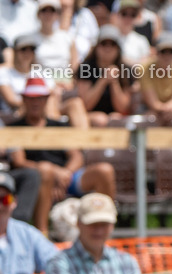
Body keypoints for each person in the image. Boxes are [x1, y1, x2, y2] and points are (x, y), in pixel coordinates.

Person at [8, 77, 116, 236]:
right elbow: (19, 161)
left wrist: (64, 173)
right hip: (37, 180)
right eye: (31, 98)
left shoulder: (60, 125)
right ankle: (42, 233)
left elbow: (76, 156)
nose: (35, 102)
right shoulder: (14, 128)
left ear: (47, 99)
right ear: (24, 99)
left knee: (104, 171)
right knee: (45, 171)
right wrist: (52, 172)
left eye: (39, 98)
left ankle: (105, 230)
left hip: (66, 177)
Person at [75, 25, 133, 126]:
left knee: (116, 119)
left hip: (114, 115)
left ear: (118, 48)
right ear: (97, 46)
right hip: (90, 115)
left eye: (112, 44)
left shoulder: (125, 69)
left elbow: (123, 107)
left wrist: (114, 82)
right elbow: (86, 105)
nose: (108, 48)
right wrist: (103, 80)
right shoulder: (86, 67)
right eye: (104, 44)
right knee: (100, 120)